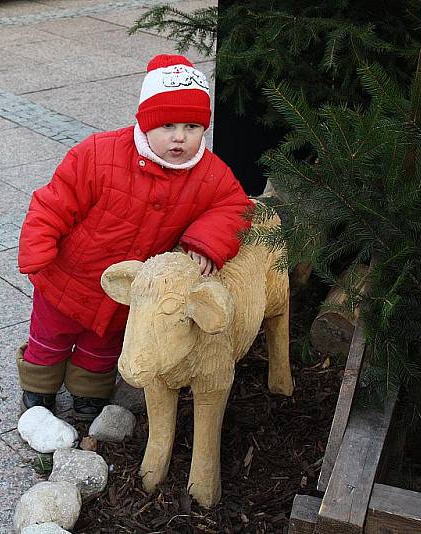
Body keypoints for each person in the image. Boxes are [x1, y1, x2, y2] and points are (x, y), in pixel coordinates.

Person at [16, 54, 252, 421]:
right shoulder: (98, 154)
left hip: (125, 291)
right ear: (145, 123)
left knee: (104, 342)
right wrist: (38, 245)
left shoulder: (208, 173)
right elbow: (55, 201)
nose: (179, 137)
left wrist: (205, 242)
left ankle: (88, 392)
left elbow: (234, 207)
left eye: (192, 127)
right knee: (51, 334)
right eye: (167, 125)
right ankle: (38, 386)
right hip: (69, 277)